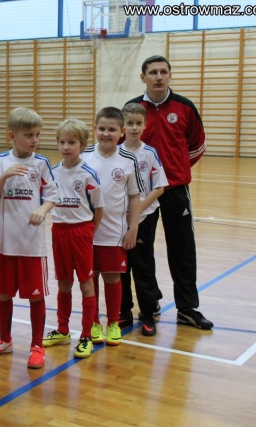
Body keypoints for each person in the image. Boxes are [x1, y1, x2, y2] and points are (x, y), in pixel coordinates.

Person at [126, 55, 214, 330]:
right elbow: (120, 146)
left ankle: (187, 308)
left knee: (183, 249)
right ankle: (149, 304)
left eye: (163, 72)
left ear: (170, 76)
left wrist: (176, 170)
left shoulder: (184, 106)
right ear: (143, 77)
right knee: (142, 250)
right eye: (153, 72)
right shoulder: (132, 109)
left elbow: (198, 145)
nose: (159, 77)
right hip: (142, 193)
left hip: (176, 190)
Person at [0, 107, 59, 369]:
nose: (34, 140)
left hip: (32, 244)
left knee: (35, 295)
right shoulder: (1, 161)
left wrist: (42, 210)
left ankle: (37, 345)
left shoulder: (42, 163)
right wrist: (4, 177)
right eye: (28, 135)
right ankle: (4, 340)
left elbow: (52, 197)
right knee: (3, 293)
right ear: (11, 135)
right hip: (5, 242)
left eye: (37, 134)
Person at [80, 107, 143, 347]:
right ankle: (94, 322)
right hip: (86, 231)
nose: (106, 134)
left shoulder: (128, 160)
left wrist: (133, 228)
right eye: (102, 129)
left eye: (112, 129)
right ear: (94, 129)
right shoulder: (84, 155)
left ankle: (113, 323)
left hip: (114, 231)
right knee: (90, 276)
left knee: (112, 277)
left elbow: (135, 197)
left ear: (122, 132)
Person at [42, 118, 104, 359]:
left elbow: (99, 209)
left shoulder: (88, 174)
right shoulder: (53, 172)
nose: (66, 147)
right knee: (64, 283)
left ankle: (86, 334)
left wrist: (88, 232)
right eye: (62, 142)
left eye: (72, 142)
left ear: (83, 145)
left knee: (86, 283)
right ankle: (63, 329)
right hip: (59, 231)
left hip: (81, 231)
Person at [118, 103, 169, 337]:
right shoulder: (116, 153)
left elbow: (159, 187)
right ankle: (123, 311)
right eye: (130, 123)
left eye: (138, 123)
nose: (134, 128)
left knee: (143, 264)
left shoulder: (149, 153)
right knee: (121, 265)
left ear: (145, 125)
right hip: (119, 219)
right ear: (123, 126)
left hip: (145, 217)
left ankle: (148, 312)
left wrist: (137, 210)